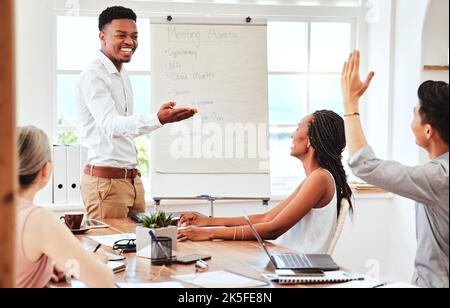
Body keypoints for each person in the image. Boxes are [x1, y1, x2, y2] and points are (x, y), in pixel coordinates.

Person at [77, 6, 197, 220]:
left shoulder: (122, 73)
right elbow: (111, 126)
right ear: (102, 37)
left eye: (134, 36)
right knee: (107, 252)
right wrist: (158, 119)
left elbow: (124, 129)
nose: (130, 42)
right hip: (106, 184)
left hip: (131, 181)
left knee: (140, 250)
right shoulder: (94, 75)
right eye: (121, 35)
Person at [341, 50, 449, 288]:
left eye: (413, 115)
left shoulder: (438, 177)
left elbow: (364, 165)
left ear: (428, 130)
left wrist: (350, 103)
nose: (411, 122)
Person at [178, 110, 353, 254]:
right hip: (287, 260)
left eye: (298, 128)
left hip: (300, 270)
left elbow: (273, 230)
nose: (292, 134)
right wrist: (208, 222)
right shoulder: (315, 178)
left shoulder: (320, 178)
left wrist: (209, 234)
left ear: (311, 140)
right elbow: (267, 218)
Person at [16, 126, 115, 288]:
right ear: (45, 171)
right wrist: (96, 261)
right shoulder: (37, 220)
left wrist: (47, 268)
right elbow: (103, 281)